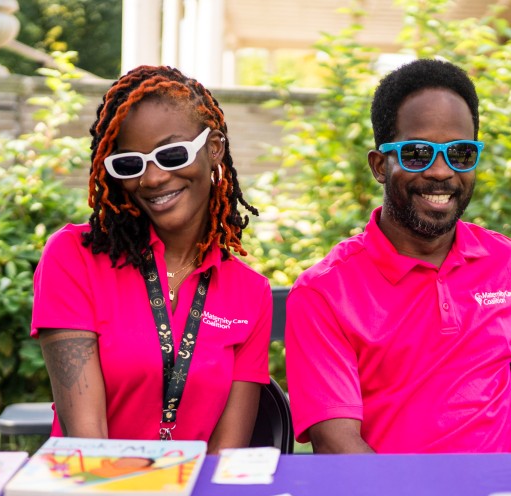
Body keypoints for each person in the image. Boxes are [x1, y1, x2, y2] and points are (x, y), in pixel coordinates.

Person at [32, 65, 272, 453]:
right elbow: (87, 445)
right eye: (130, 164)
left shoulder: (251, 293)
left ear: (214, 149)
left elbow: (224, 457)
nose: (153, 178)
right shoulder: (72, 258)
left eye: (172, 154)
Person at [286, 58, 511, 454]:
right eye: (417, 153)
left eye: (460, 153)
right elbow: (339, 446)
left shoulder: (503, 263)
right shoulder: (323, 293)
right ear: (379, 165)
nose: (441, 172)